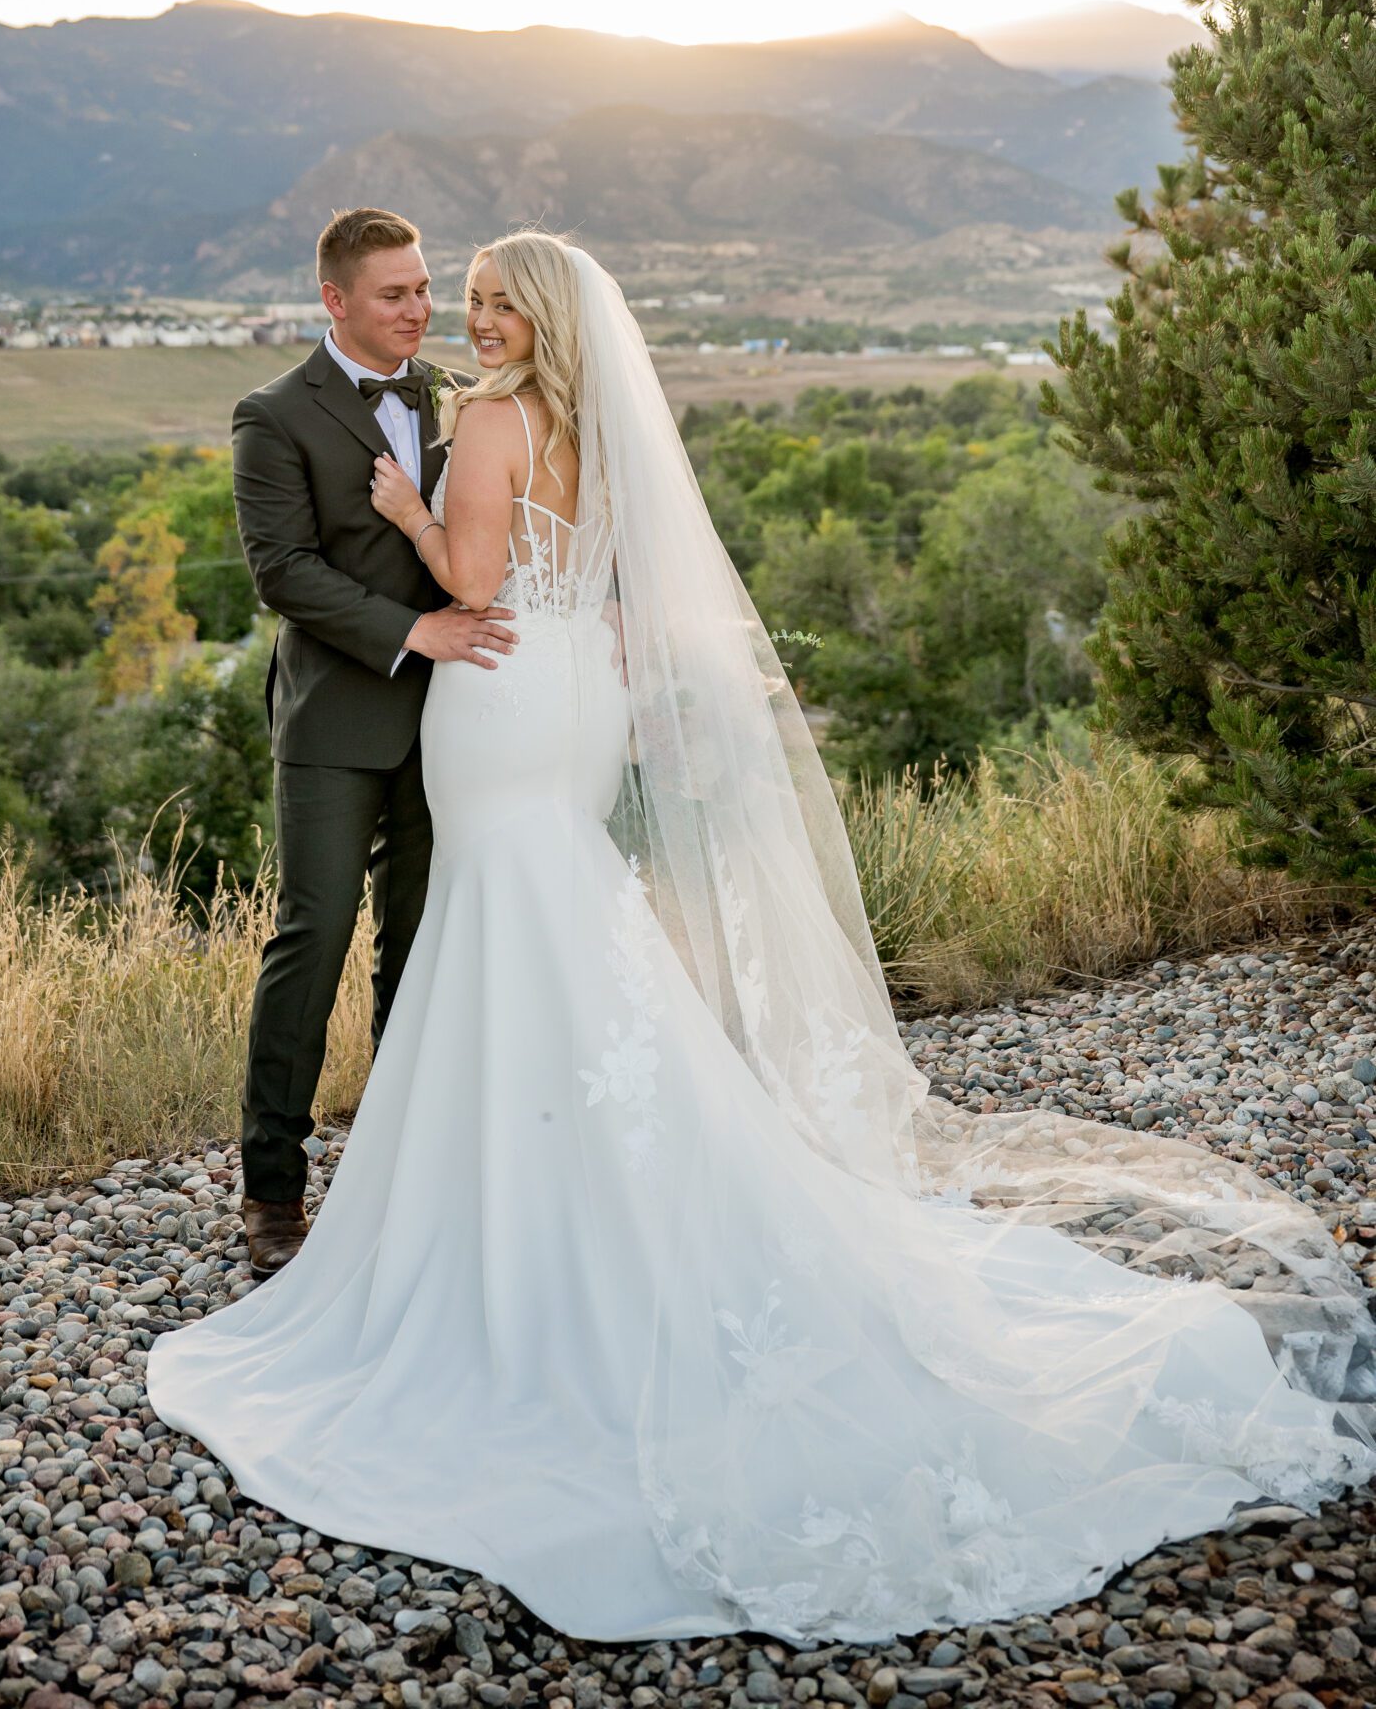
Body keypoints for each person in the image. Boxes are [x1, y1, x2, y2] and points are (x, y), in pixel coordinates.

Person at [150, 230, 1376, 1645]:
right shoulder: (566, 416)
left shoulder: (475, 414)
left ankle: (495, 1213)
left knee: (501, 923)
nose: (455, 317)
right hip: (535, 702)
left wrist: (419, 528)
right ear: (343, 302)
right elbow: (359, 570)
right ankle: (361, 1172)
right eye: (437, 298)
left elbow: (476, 579)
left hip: (492, 690)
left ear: (529, 316)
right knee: (531, 926)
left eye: (479, 298)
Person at [226, 205, 514, 1277]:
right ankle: (271, 1189)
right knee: (313, 934)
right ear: (334, 300)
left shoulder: (455, 395)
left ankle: (398, 1173)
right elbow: (281, 572)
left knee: (418, 943)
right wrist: (411, 630)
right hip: (336, 718)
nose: (421, 309)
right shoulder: (272, 415)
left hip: (453, 719)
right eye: (395, 293)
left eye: (425, 288)